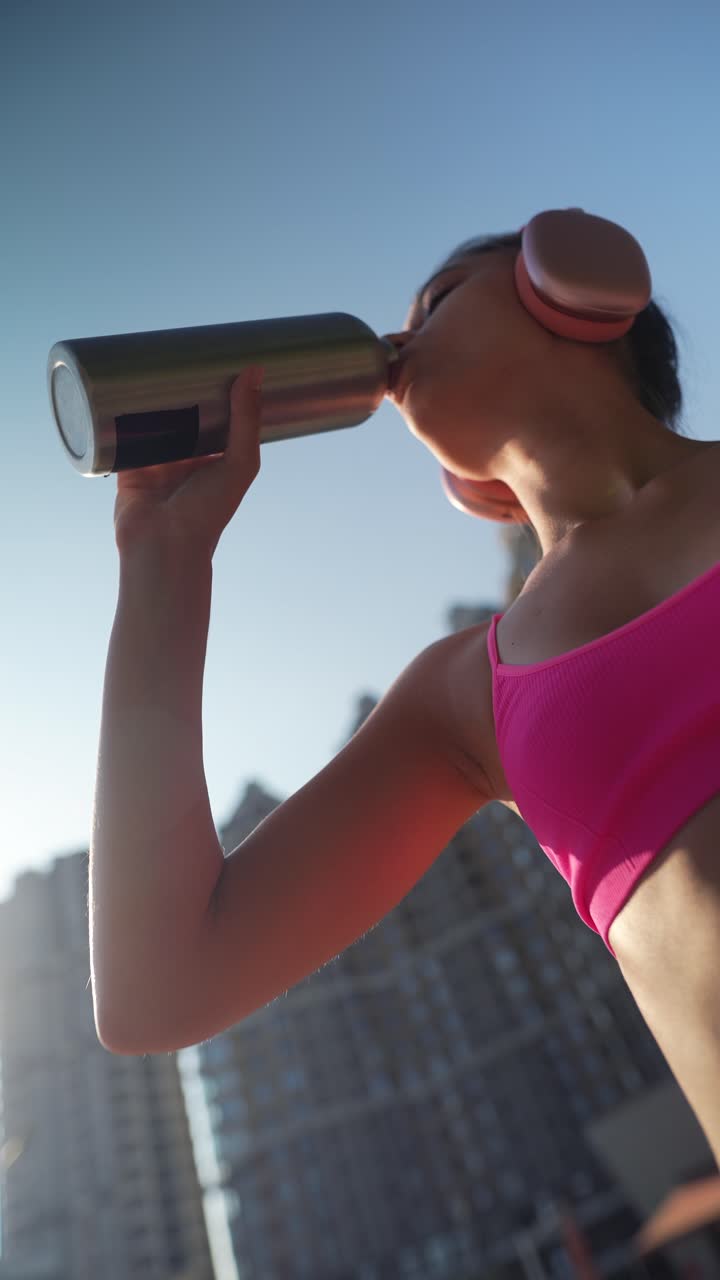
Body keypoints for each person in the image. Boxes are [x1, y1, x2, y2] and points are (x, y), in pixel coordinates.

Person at [89, 213, 720, 1168]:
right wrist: (163, 563)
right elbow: (159, 989)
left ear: (574, 280)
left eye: (437, 299)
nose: (398, 341)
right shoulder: (464, 694)